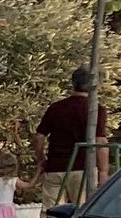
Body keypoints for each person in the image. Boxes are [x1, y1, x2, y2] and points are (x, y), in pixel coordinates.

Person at [34, 67, 110, 203]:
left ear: (73, 83)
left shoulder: (55, 107)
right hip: (82, 167)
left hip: (55, 167)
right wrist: (103, 171)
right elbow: (100, 140)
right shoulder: (95, 109)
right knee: (82, 210)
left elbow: (39, 136)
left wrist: (41, 158)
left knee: (50, 213)